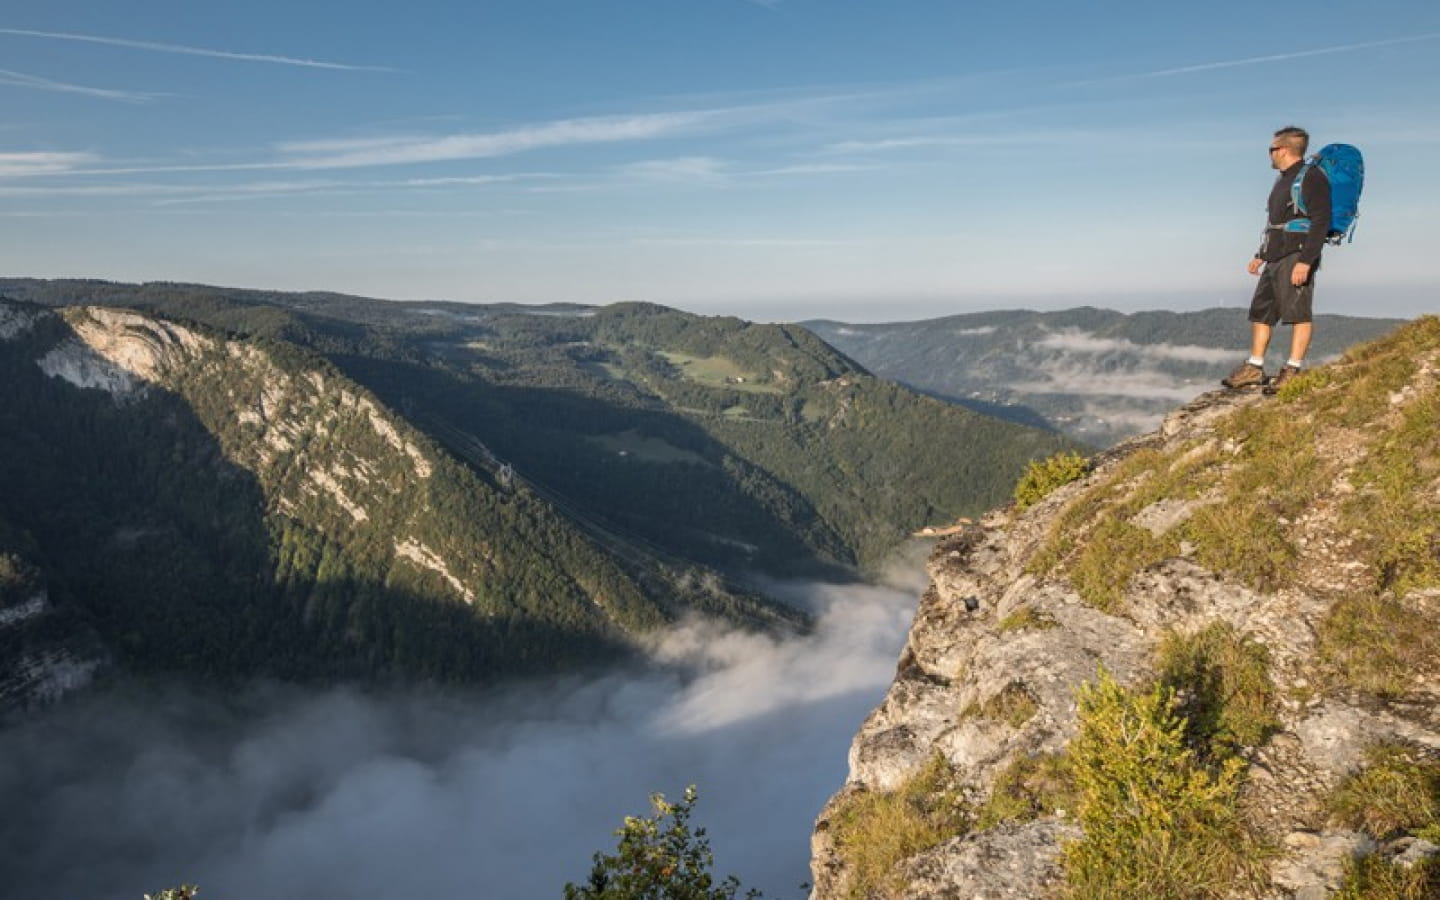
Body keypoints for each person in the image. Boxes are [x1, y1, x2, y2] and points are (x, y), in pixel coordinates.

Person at [1222, 125, 1332, 394]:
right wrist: (1261, 255)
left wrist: (1306, 261)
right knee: (1261, 312)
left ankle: (1293, 368)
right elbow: (1277, 223)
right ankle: (1255, 367)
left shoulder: (1312, 178)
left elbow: (1321, 220)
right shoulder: (1284, 179)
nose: (1269, 154)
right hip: (1275, 256)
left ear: (1282, 150)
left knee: (1298, 312)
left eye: (1271, 149)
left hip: (1297, 254)